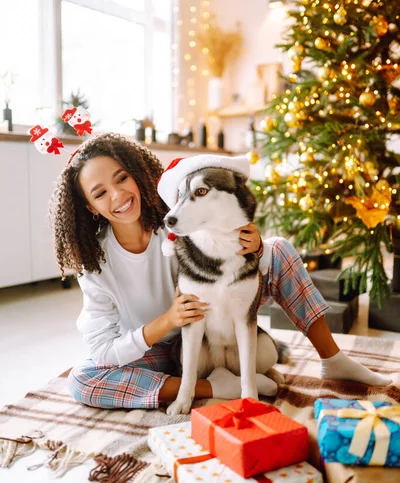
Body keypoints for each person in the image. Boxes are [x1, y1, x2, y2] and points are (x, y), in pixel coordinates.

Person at [49, 133, 392, 410]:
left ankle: (332, 359)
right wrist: (167, 321)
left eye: (121, 178)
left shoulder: (177, 217)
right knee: (83, 378)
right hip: (156, 351)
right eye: (100, 193)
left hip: (215, 329)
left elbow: (236, 239)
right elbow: (104, 350)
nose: (118, 194)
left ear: (136, 175)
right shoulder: (94, 261)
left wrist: (253, 245)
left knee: (279, 249)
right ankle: (213, 386)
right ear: (91, 208)